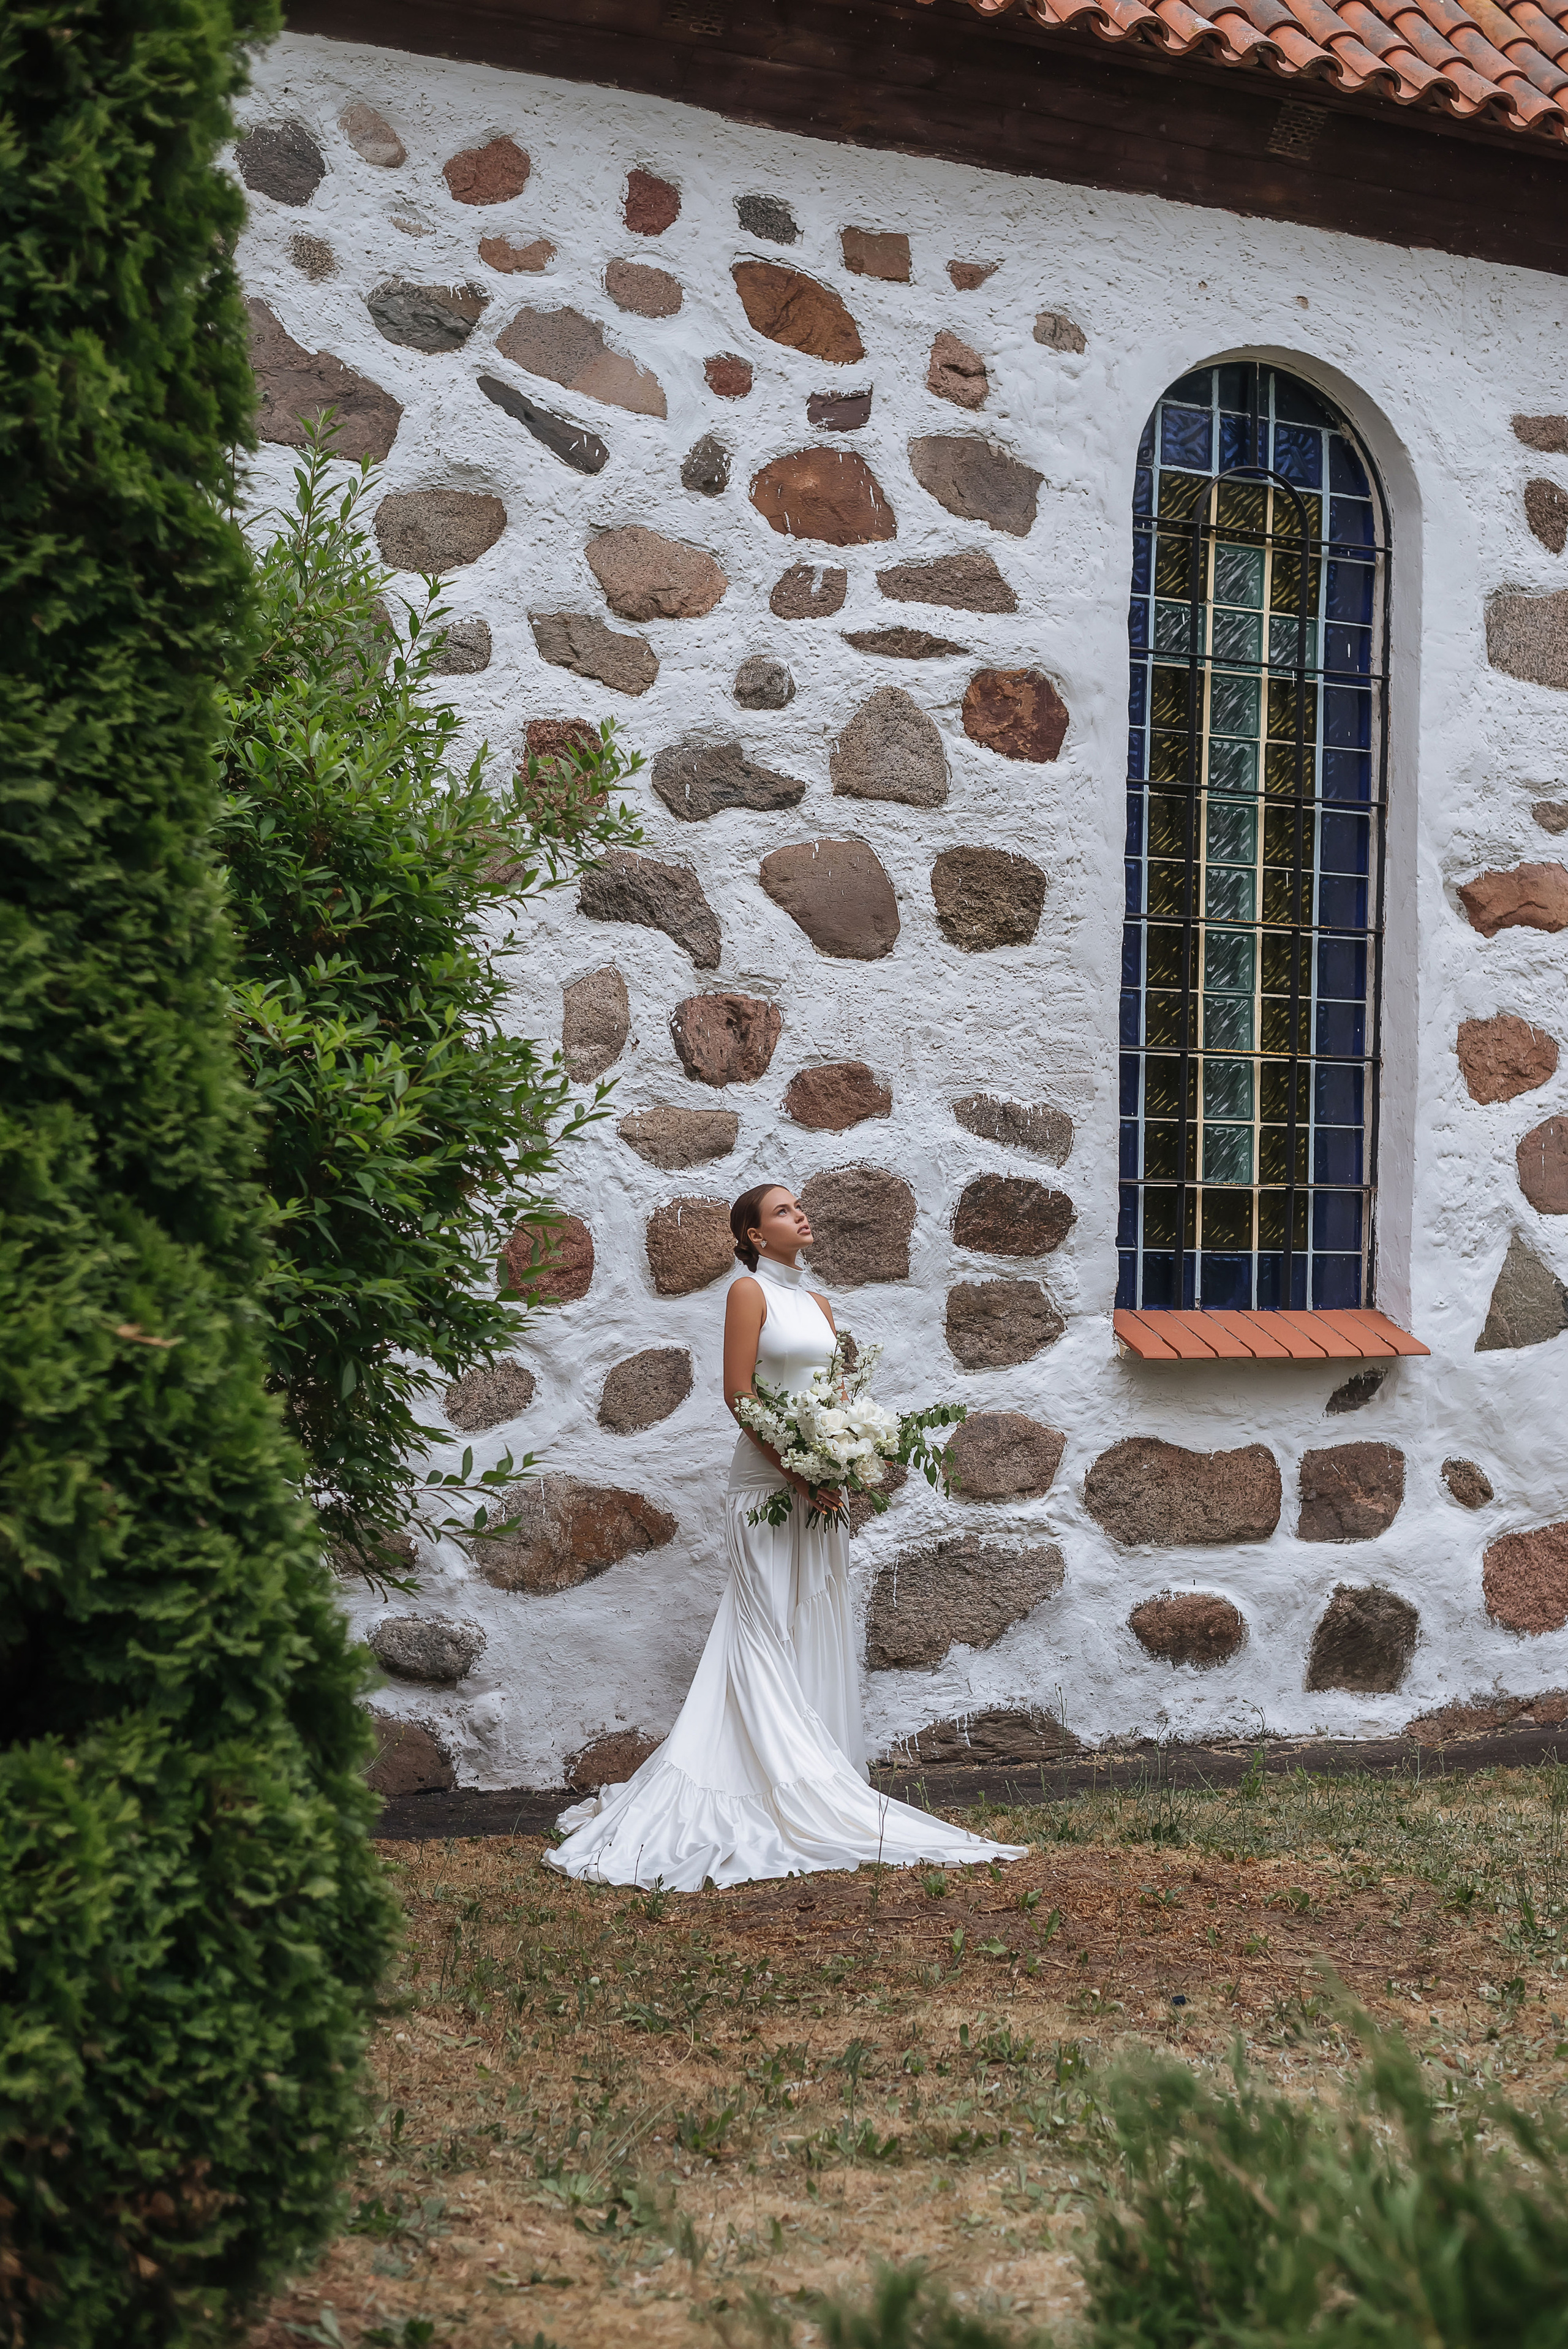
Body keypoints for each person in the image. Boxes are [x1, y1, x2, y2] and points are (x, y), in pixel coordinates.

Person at [545, 1182, 1025, 1889]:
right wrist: (795, 1470)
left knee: (811, 1619)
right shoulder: (749, 1294)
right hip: (768, 1486)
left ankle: (817, 1768)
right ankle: (765, 1783)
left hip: (819, 1489)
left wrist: (845, 1455)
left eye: (798, 1207)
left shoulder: (822, 1306)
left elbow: (830, 1399)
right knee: (763, 1621)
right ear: (754, 1237)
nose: (799, 1215)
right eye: (780, 1211)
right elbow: (739, 1391)